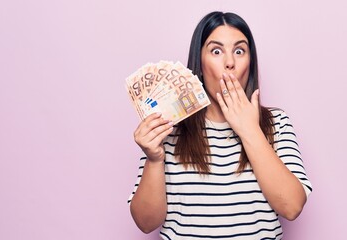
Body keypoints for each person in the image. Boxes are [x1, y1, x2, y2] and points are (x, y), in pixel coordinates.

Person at [128, 11, 312, 239]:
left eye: (239, 51)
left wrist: (250, 130)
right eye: (216, 51)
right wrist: (154, 159)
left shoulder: (276, 123)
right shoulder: (168, 127)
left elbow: (292, 207)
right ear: (200, 64)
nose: (230, 63)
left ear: (250, 62)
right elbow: (146, 223)